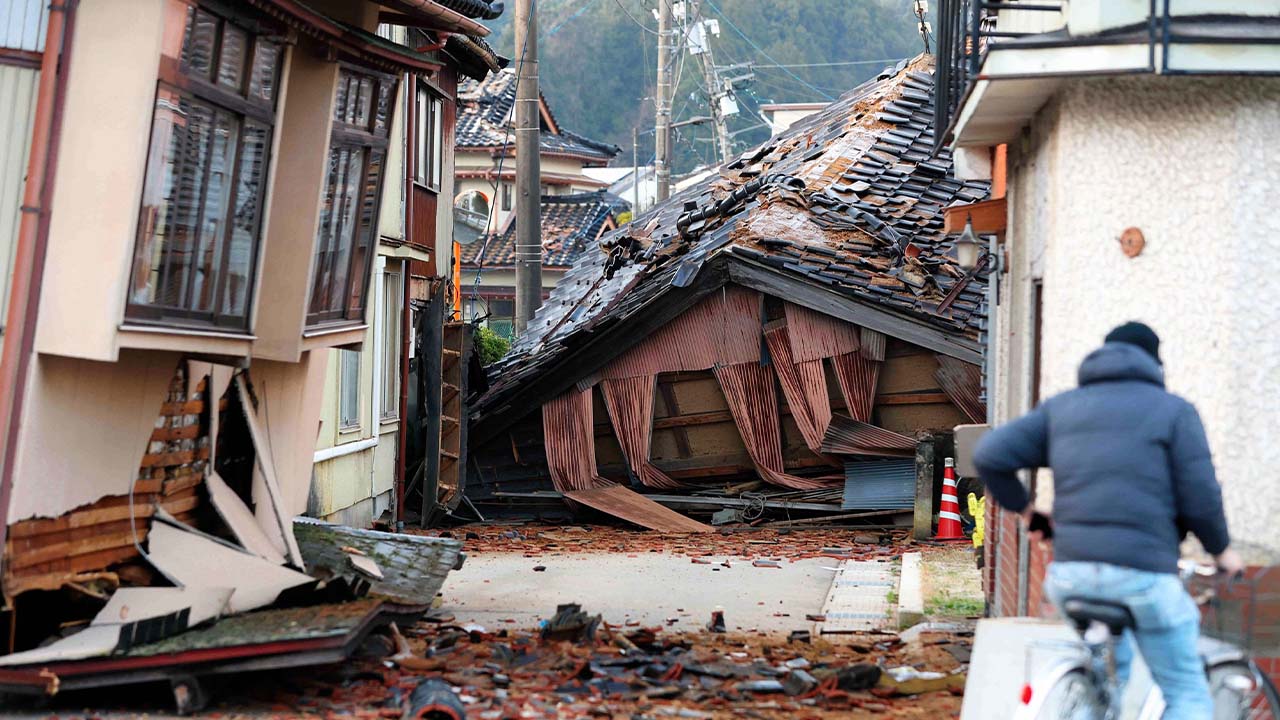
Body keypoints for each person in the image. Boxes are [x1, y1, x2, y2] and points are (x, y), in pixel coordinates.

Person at [974, 321, 1242, 720]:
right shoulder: (1173, 412)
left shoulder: (1062, 408)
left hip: (1070, 577)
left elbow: (990, 456)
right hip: (1143, 576)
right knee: (1185, 689)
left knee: (1107, 684)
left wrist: (1030, 513)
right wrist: (1222, 552)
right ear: (1154, 362)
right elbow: (1201, 497)